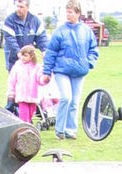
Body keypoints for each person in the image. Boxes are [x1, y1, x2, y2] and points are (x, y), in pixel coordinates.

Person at [41, 0, 98, 140]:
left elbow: (93, 49)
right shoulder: (59, 31)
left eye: (71, 12)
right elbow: (51, 52)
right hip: (62, 70)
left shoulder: (86, 31)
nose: (68, 15)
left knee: (74, 102)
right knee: (66, 97)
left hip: (79, 71)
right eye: (67, 12)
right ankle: (59, 130)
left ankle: (71, 130)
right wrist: (47, 72)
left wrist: (89, 63)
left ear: (78, 13)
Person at [2, 0, 47, 71]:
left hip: (29, 59)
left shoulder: (35, 21)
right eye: (17, 6)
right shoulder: (9, 21)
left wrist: (44, 50)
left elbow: (41, 37)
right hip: (13, 60)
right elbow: (10, 40)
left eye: (21, 7)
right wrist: (19, 53)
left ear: (27, 7)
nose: (18, 9)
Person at [6, 45, 44, 125]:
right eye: (22, 55)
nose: (23, 57)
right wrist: (11, 93)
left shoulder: (37, 67)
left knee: (30, 114)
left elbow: (40, 80)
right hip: (22, 96)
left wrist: (46, 78)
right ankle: (25, 128)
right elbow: (12, 80)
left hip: (33, 96)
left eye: (25, 55)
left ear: (32, 56)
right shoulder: (17, 66)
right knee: (24, 115)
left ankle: (27, 126)